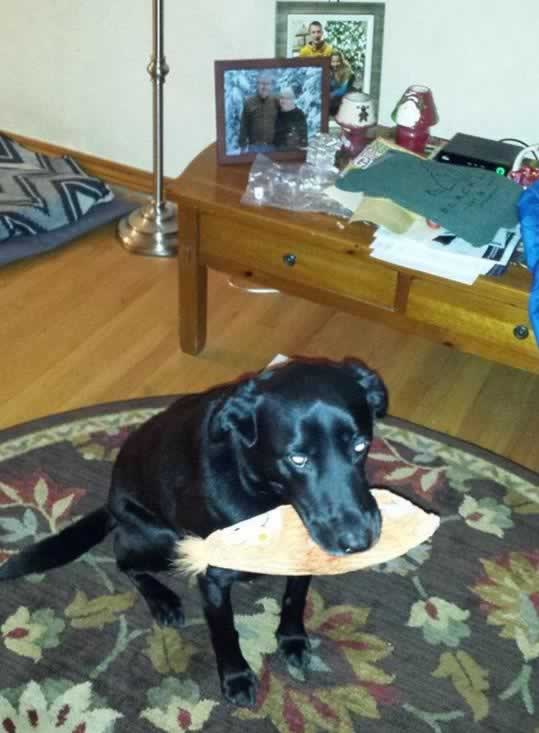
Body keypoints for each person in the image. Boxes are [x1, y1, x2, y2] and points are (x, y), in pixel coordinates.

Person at [238, 72, 279, 151]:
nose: (264, 87)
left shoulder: (276, 101)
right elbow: (244, 125)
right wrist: (242, 145)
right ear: (257, 85)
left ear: (271, 86)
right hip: (254, 147)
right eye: (262, 84)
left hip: (272, 147)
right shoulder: (249, 102)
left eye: (267, 84)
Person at [273, 87, 308, 151]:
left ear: (292, 100)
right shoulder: (276, 113)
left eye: (286, 98)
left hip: (293, 152)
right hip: (276, 151)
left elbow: (303, 137)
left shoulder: (299, 114)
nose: (283, 101)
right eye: (281, 98)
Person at [329, 49, 355, 116]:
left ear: (342, 61)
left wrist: (330, 95)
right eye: (333, 62)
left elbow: (343, 90)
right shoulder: (330, 70)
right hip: (334, 97)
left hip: (344, 98)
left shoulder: (347, 71)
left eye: (338, 61)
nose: (335, 64)